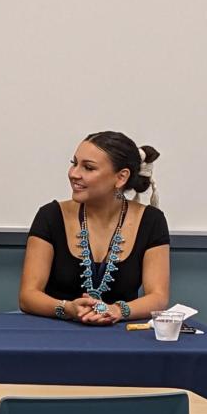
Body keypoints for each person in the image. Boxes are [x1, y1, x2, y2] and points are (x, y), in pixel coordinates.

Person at [18, 131, 169, 324]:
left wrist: (118, 310)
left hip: (122, 336)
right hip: (55, 330)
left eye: (88, 168)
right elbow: (28, 296)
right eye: (74, 163)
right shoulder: (51, 215)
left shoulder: (151, 220)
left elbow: (158, 297)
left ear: (121, 177)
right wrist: (67, 308)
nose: (74, 174)